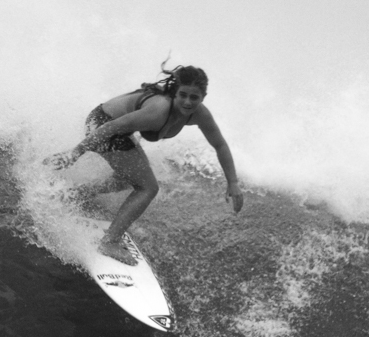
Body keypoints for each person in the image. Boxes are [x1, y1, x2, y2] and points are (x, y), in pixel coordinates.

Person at [46, 64, 243, 265]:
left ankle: (76, 193)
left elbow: (220, 144)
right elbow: (112, 126)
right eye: (183, 94)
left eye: (194, 97)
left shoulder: (200, 114)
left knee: (128, 179)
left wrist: (233, 182)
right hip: (104, 125)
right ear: (175, 92)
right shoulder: (158, 111)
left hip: (115, 128)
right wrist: (75, 152)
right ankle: (109, 242)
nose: (187, 101)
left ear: (204, 97)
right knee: (148, 188)